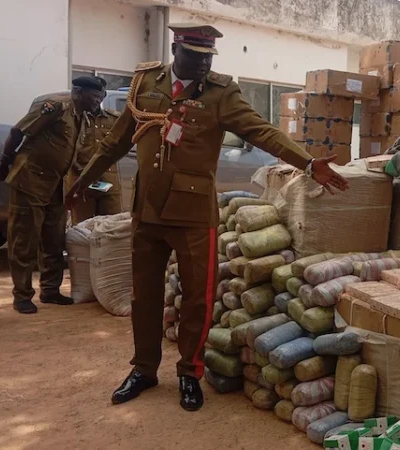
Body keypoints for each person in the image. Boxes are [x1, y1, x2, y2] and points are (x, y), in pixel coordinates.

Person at [65, 23, 349, 412]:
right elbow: (116, 141)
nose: (202, 64)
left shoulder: (222, 92)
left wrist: (308, 161)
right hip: (147, 212)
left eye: (208, 58)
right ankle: (144, 369)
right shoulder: (145, 83)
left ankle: (189, 373)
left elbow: (263, 131)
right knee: (143, 296)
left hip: (194, 215)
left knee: (199, 299)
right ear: (176, 49)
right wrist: (84, 178)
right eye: (195, 56)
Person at [0, 76, 104, 314]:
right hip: (30, 180)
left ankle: (50, 290)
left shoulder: (81, 116)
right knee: (25, 239)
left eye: (100, 97)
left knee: (54, 238)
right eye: (94, 97)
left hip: (55, 184)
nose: (98, 102)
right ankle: (22, 295)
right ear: (78, 91)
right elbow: (17, 131)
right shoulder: (54, 106)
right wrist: (4, 166)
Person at [66, 77, 123, 225]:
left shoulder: (114, 119)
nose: (97, 98)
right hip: (80, 180)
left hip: (108, 183)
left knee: (111, 226)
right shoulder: (76, 117)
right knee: (82, 227)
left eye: (100, 94)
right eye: (94, 94)